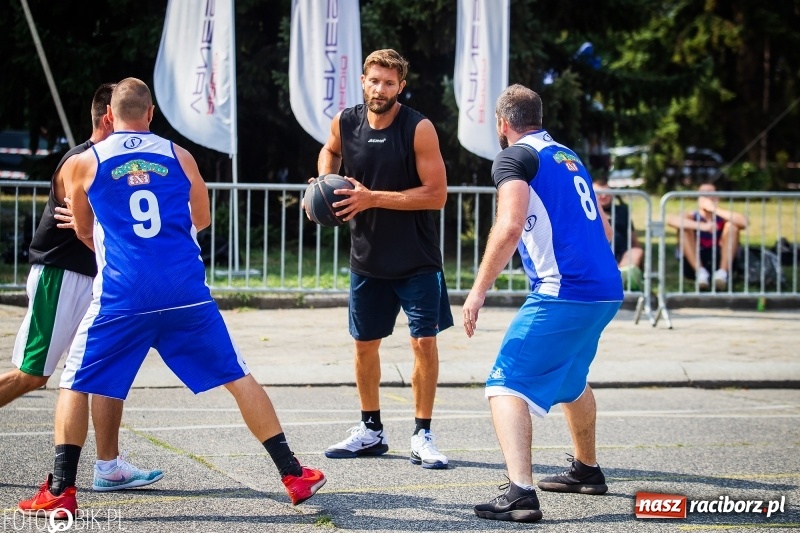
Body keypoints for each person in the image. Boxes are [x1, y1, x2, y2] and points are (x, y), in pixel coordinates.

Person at [18, 78, 325, 518]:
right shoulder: (179, 156)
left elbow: (83, 229)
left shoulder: (83, 163)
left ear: (110, 116)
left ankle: (62, 490)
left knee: (74, 381)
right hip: (183, 289)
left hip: (123, 293)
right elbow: (201, 218)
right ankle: (293, 473)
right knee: (238, 377)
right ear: (150, 114)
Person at [462, 84, 623, 523]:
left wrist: (478, 291)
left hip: (563, 291)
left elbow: (510, 225)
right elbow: (604, 229)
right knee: (571, 382)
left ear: (502, 124)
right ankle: (586, 470)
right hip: (604, 288)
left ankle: (520, 493)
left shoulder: (514, 158)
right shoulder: (567, 154)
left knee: (504, 384)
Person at [0, 83, 163, 492]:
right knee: (32, 374)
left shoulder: (117, 163)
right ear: (111, 117)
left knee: (106, 370)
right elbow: (90, 228)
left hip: (101, 282)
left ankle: (109, 466)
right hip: (62, 277)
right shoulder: (82, 161)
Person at [315, 49, 454, 469]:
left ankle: (422, 434)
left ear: (401, 87)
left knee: (423, 343)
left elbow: (436, 194)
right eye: (374, 80)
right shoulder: (345, 121)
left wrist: (371, 197)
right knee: (363, 347)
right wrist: (324, 181)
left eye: (389, 83)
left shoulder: (418, 128)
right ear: (363, 80)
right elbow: (330, 150)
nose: (380, 89)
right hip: (368, 256)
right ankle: (371, 430)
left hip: (417, 258)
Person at [666, 182, 748, 290]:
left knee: (732, 227)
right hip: (696, 259)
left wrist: (714, 209)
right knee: (683, 230)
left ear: (717, 197)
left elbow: (744, 222)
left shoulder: (723, 216)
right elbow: (671, 220)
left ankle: (722, 275)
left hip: (720, 258)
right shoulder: (692, 216)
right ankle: (701, 274)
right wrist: (702, 226)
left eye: (710, 193)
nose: (707, 196)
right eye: (703, 194)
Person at [592, 177, 644, 290]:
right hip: (597, 253)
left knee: (636, 252)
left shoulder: (622, 211)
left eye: (606, 192)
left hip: (622, 255)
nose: (603, 196)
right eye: (599, 193)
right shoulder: (587, 212)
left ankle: (617, 279)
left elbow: (633, 238)